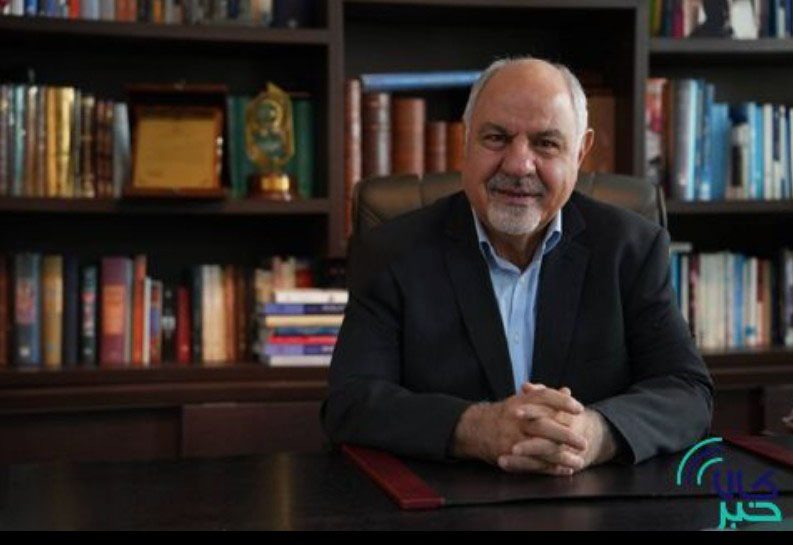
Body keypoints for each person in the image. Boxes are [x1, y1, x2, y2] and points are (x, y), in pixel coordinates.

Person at [321, 57, 713, 475]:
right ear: (466, 141)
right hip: (447, 499)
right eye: (496, 138)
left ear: (580, 152)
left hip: (593, 498)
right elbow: (350, 403)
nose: (518, 164)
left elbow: (687, 392)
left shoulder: (631, 249)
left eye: (546, 143)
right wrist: (476, 428)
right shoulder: (391, 252)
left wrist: (595, 433)